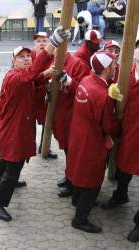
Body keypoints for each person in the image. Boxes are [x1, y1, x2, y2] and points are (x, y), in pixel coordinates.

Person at [0, 26, 70, 222]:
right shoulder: (13, 77)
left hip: (20, 127)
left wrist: (46, 79)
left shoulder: (24, 78)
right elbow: (31, 75)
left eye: (28, 56)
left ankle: (5, 180)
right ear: (13, 61)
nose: (26, 59)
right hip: (13, 129)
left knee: (11, 160)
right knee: (13, 164)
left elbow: (33, 87)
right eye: (21, 57)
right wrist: (52, 44)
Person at [66, 51, 121, 233]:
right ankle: (80, 219)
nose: (115, 67)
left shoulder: (86, 81)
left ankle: (76, 200)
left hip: (78, 135)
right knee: (93, 180)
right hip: (92, 142)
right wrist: (120, 127)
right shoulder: (102, 95)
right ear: (106, 69)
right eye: (113, 64)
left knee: (78, 170)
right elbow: (109, 125)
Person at [100, 48, 139, 242]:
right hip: (129, 131)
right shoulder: (128, 72)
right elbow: (122, 96)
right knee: (124, 167)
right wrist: (114, 94)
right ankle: (120, 195)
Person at [53, 53, 90, 198]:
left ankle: (73, 184)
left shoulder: (78, 64)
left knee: (73, 152)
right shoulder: (54, 61)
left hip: (72, 116)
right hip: (61, 115)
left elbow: (85, 91)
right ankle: (69, 178)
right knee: (68, 151)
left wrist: (69, 82)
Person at [31, 32, 58, 159]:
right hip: (30, 96)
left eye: (44, 41)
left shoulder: (53, 56)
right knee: (24, 123)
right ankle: (28, 145)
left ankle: (44, 147)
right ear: (34, 43)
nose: (42, 43)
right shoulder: (27, 56)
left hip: (45, 95)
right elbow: (28, 77)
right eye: (38, 41)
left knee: (47, 122)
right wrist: (45, 74)